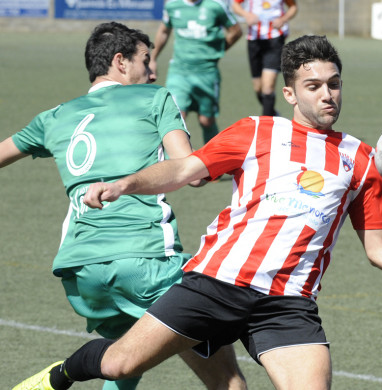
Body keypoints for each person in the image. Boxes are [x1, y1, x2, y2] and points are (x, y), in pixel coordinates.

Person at [14, 35, 382, 390]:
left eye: (334, 84)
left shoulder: (361, 159)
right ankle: (59, 375)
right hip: (213, 283)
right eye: (313, 86)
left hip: (287, 305)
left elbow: (380, 249)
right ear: (290, 94)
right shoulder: (255, 132)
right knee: (120, 364)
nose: (327, 95)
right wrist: (126, 183)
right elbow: (183, 169)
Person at [2, 21, 245, 390]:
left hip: (82, 274)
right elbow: (191, 171)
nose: (153, 70)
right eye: (146, 60)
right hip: (145, 263)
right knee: (229, 382)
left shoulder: (55, 115)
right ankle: (62, 373)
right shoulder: (156, 98)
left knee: (125, 363)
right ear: (120, 61)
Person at [150, 0, 242, 144]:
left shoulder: (216, 5)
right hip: (179, 72)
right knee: (176, 119)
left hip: (207, 73)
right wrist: (153, 59)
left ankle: (213, 160)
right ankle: (177, 162)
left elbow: (236, 31)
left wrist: (218, 50)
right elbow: (163, 31)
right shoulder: (172, 5)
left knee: (206, 121)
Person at [231, 0, 297, 116]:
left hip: (275, 40)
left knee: (268, 87)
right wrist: (247, 15)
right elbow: (235, 5)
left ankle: (266, 125)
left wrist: (283, 19)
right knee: (258, 88)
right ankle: (272, 113)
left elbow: (293, 7)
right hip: (254, 40)